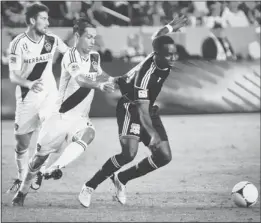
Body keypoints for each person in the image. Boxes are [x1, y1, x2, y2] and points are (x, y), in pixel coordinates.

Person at [78, 15, 188, 208]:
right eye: (169, 55)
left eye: (174, 53)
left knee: (164, 156)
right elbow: (142, 111)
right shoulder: (146, 76)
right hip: (131, 106)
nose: (173, 58)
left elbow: (156, 36)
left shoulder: (159, 53)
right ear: (158, 55)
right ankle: (89, 186)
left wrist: (170, 27)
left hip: (148, 106)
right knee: (128, 154)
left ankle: (122, 179)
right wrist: (152, 133)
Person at [12, 17, 116, 206]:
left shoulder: (94, 57)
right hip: (59, 117)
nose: (93, 41)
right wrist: (101, 87)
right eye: (89, 37)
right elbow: (82, 81)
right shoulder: (70, 56)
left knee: (89, 133)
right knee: (37, 160)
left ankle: (52, 168)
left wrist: (117, 79)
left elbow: (100, 74)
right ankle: (22, 192)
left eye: (94, 37)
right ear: (78, 36)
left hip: (80, 118)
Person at [7, 3, 68, 193]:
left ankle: (40, 170)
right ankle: (21, 176)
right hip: (27, 98)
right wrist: (28, 84)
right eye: (44, 19)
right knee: (22, 143)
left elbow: (69, 56)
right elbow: (13, 75)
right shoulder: (18, 43)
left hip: (50, 95)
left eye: (47, 19)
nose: (47, 23)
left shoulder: (52, 40)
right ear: (33, 21)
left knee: (54, 131)